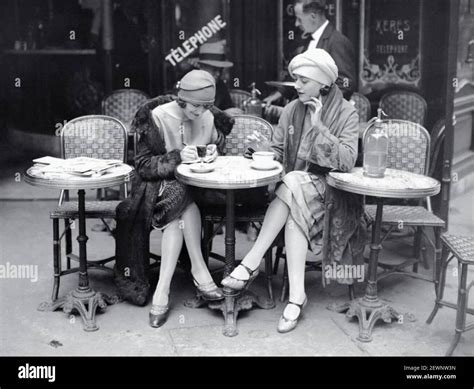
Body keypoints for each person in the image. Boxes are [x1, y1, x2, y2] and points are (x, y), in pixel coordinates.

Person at [222, 49, 365, 333]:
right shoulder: (291, 109)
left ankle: (251, 262)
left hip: (333, 193)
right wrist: (263, 149)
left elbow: (348, 161)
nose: (296, 86)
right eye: (295, 79)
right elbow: (277, 150)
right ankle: (297, 296)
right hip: (296, 193)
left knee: (292, 183)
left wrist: (319, 126)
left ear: (323, 83)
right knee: (293, 196)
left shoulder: (347, 112)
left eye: (303, 80)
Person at [114, 70, 235, 328]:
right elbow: (143, 166)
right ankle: (199, 271)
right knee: (182, 199)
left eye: (206, 106)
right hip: (155, 187)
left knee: (184, 201)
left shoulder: (208, 117)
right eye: (195, 105)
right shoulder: (157, 116)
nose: (200, 112)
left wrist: (213, 152)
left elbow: (215, 151)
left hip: (198, 187)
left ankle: (163, 290)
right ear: (182, 99)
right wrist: (177, 158)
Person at [264, 0, 356, 105]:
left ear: (313, 17)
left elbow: (346, 84)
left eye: (299, 19)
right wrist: (279, 94)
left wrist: (317, 104)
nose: (296, 23)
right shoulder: (306, 41)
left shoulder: (337, 41)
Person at [197, 40, 236, 112]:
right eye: (214, 69)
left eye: (220, 70)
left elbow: (228, 106)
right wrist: (222, 114)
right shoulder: (190, 86)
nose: (218, 74)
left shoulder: (221, 85)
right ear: (202, 67)